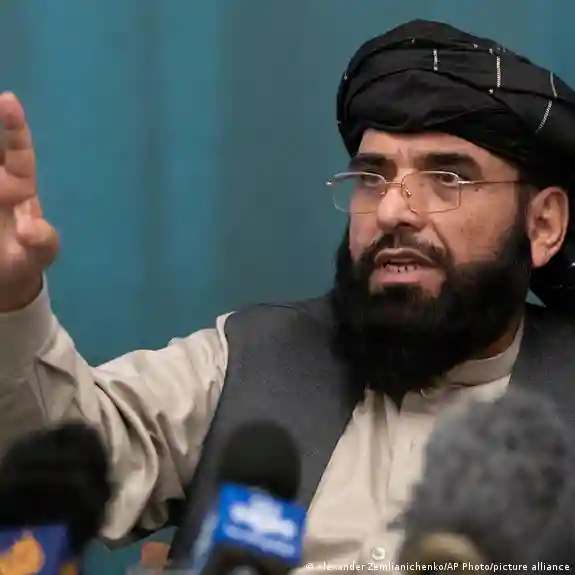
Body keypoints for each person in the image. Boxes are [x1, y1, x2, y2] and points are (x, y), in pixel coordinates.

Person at [1, 18, 575, 570]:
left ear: (544, 224)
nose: (393, 211)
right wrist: (11, 295)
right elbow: (50, 462)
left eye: (447, 179)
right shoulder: (250, 360)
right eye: (371, 178)